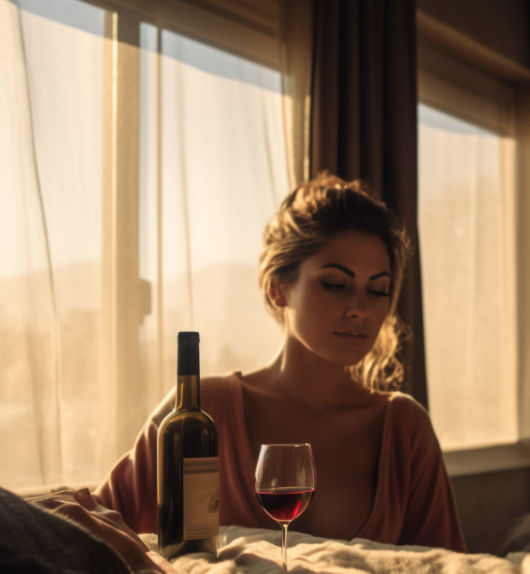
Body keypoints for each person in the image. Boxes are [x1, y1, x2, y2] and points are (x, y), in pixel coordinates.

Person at [94, 173, 467, 552]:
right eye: (336, 284)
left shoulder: (405, 428)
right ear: (279, 288)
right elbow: (90, 529)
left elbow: (446, 564)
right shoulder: (204, 410)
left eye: (377, 290)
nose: (360, 309)